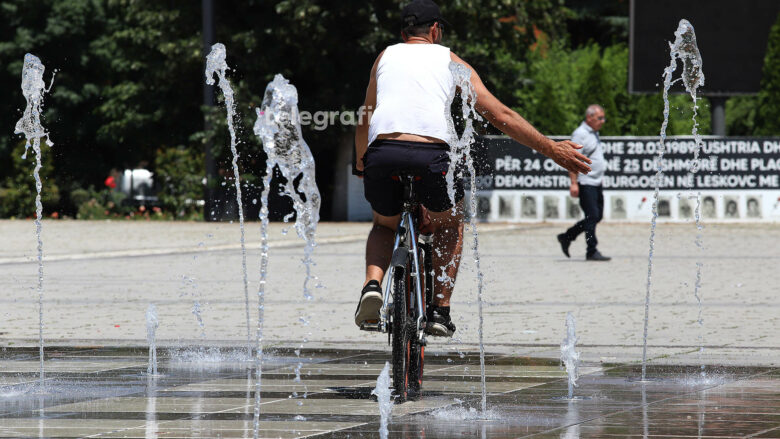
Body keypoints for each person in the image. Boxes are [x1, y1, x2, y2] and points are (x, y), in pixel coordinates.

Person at [353, 0, 591, 336]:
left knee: (383, 225)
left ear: (402, 32)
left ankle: (372, 285)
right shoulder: (450, 61)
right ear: (435, 30)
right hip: (430, 156)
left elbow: (366, 115)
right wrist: (550, 148)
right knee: (450, 224)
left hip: (383, 153)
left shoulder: (385, 57)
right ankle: (439, 311)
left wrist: (362, 161)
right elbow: (500, 115)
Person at [557, 105, 611, 261]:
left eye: (603, 118)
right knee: (592, 216)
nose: (603, 121)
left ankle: (567, 236)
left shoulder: (593, 133)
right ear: (589, 118)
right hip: (585, 182)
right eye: (600, 118)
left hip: (596, 182)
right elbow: (572, 160)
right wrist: (573, 183)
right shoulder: (580, 134)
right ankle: (591, 250)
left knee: (596, 216)